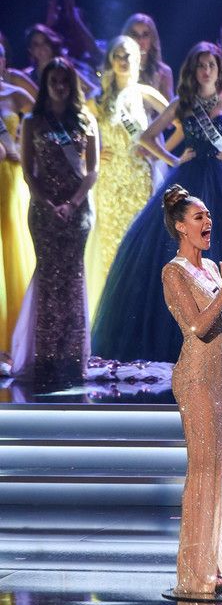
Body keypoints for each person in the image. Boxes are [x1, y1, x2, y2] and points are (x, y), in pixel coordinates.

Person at [91, 42, 222, 372]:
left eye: (210, 65)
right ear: (192, 71)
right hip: (191, 179)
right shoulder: (183, 103)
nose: (205, 71)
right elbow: (146, 137)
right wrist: (172, 158)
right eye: (200, 66)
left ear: (219, 69)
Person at [161, 184, 222, 595]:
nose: (208, 222)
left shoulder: (214, 268)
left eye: (208, 216)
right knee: (202, 469)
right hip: (196, 377)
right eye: (199, 217)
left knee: (221, 467)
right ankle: (194, 573)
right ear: (181, 226)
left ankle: (212, 564)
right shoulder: (173, 272)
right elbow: (197, 327)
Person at [12, 57, 99, 386]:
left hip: (78, 209)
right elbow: (28, 171)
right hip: (43, 209)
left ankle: (72, 358)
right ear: (45, 85)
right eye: (54, 82)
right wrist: (48, 204)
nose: (60, 87)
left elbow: (92, 171)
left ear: (72, 85)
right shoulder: (33, 122)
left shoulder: (86, 120)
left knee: (73, 279)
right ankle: (46, 356)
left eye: (65, 81)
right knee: (49, 278)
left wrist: (72, 204)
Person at [85, 35, 168, 314]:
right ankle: (110, 313)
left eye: (127, 55)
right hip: (109, 182)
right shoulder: (98, 100)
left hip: (138, 180)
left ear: (138, 58)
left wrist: (160, 152)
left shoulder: (145, 93)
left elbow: (181, 121)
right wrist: (91, 152)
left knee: (138, 246)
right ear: (110, 60)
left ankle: (136, 311)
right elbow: (73, 129)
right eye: (117, 55)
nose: (122, 60)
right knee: (110, 245)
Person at [0, 44, 35, 353]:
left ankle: (12, 332)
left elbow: (46, 118)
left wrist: (23, 143)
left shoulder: (14, 94)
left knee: (10, 245)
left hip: (9, 179)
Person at [122, 13, 174, 101]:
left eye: (145, 35)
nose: (140, 41)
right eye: (135, 35)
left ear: (152, 39)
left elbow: (170, 106)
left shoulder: (164, 72)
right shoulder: (119, 68)